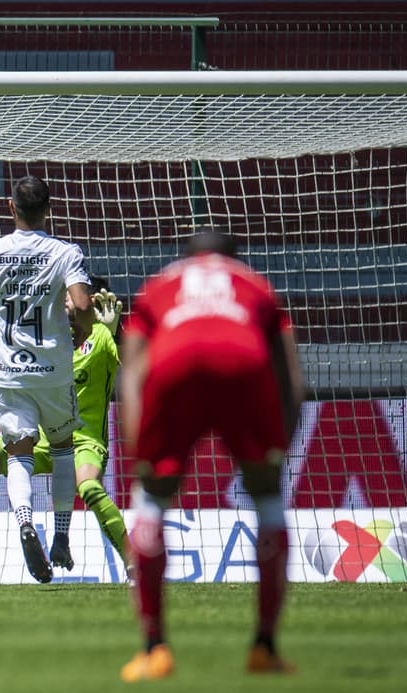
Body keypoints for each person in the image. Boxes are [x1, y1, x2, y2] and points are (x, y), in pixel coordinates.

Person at [118, 229, 303, 681]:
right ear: (232, 258)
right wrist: (282, 442)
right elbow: (289, 368)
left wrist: (137, 444)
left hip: (173, 364)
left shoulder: (161, 283)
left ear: (188, 258)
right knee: (268, 500)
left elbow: (134, 366)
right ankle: (264, 647)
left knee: (152, 500)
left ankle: (153, 648)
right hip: (244, 362)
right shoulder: (255, 285)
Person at [0, 176, 94, 583]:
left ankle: (23, 522)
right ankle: (63, 535)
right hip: (52, 369)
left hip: (9, 372)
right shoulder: (65, 252)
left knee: (19, 453)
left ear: (11, 207)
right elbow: (83, 304)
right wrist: (84, 330)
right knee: (63, 448)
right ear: (48, 209)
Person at [0, 283, 131, 577]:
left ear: (90, 300)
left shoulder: (102, 334)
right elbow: (2, 348)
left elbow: (131, 360)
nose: (64, 299)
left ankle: (133, 564)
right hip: (40, 436)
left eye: (70, 295)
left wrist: (116, 331)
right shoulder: (49, 333)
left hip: (85, 442)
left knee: (89, 487)